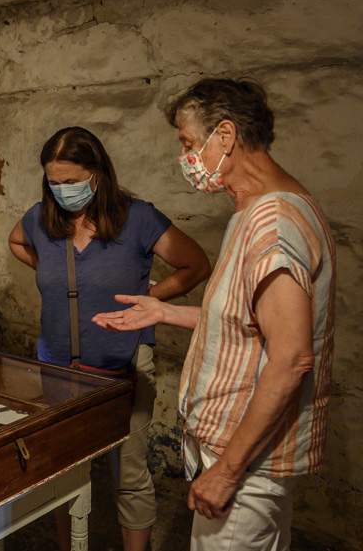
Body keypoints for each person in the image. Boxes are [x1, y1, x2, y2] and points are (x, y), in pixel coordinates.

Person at [94, 79, 335, 551]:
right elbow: (246, 325)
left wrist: (226, 472)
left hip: (244, 458)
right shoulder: (255, 211)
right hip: (240, 449)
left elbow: (290, 360)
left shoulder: (274, 224)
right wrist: (163, 311)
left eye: (189, 143)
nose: (186, 157)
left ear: (224, 136)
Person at [8, 126, 211, 551]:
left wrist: (151, 299)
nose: (62, 190)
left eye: (71, 181)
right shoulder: (40, 219)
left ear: (97, 174)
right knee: (63, 476)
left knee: (130, 475)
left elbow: (194, 264)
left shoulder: (137, 218)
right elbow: (16, 241)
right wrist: (58, 275)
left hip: (123, 367)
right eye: (54, 182)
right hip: (57, 370)